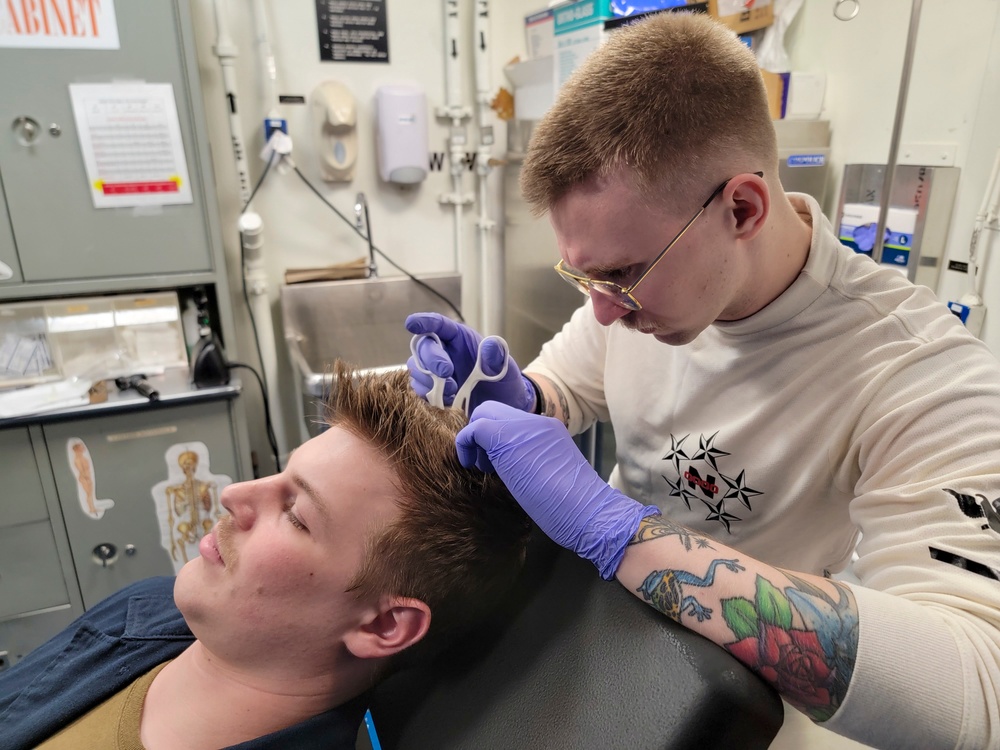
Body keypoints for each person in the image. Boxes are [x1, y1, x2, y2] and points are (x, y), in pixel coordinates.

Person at [406, 12, 1000, 750]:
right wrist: (518, 399)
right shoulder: (638, 298)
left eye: (621, 273)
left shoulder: (919, 374)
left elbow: (979, 688)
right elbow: (568, 387)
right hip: (599, 632)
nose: (600, 308)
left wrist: (619, 535)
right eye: (584, 274)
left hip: (733, 698)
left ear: (742, 208)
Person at [0, 364, 531, 750]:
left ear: (386, 624)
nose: (234, 494)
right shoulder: (142, 608)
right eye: (277, 472)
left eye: (296, 514)